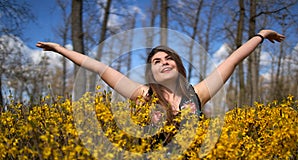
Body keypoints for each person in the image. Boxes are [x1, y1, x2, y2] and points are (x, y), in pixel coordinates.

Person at [36, 29, 285, 123]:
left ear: (178, 65)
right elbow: (100, 68)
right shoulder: (142, 95)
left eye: (169, 59)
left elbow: (233, 60)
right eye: (157, 61)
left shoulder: (196, 95)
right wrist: (60, 50)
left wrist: (260, 35)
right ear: (151, 72)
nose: (164, 63)